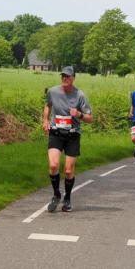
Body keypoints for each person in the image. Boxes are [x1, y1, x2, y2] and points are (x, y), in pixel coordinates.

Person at [43, 66, 93, 212]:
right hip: (56, 133)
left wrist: (79, 114)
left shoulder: (80, 95)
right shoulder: (53, 91)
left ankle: (68, 198)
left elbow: (90, 118)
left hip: (72, 135)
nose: (65, 78)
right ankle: (56, 194)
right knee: (53, 165)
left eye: (68, 76)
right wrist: (45, 120)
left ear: (73, 78)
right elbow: (47, 105)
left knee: (69, 170)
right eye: (63, 76)